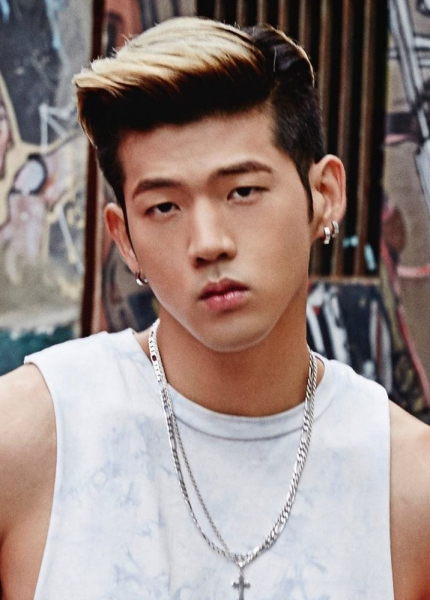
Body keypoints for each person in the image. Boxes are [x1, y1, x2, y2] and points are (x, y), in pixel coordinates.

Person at [0, 16, 429, 600]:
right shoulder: (31, 439)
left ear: (324, 196)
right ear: (124, 239)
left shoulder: (407, 485)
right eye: (163, 207)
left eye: (242, 191)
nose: (208, 243)